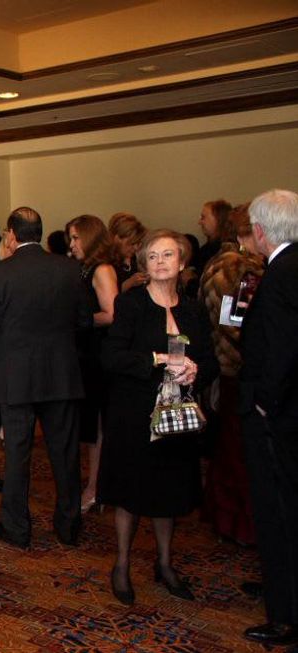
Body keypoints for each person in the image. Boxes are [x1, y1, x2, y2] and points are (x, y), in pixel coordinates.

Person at [98, 229, 218, 605]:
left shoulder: (193, 309)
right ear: (144, 265)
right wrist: (156, 359)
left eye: (168, 255)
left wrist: (195, 372)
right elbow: (111, 356)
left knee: (170, 490)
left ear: (182, 263)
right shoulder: (131, 304)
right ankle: (121, 565)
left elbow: (211, 360)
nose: (161, 262)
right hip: (134, 414)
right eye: (153, 256)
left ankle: (165, 564)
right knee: (130, 491)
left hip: (176, 416)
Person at [0, 206, 90, 549]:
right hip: (61, 375)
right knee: (65, 454)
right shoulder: (69, 269)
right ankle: (68, 527)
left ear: (11, 234)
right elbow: (84, 321)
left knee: (18, 456)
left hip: (16, 377)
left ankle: (17, 528)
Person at [237, 189, 298, 650]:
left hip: (279, 418)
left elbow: (282, 349)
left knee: (279, 511)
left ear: (259, 231)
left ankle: (286, 614)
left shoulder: (280, 275)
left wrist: (264, 403)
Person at [199, 204, 264, 546]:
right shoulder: (241, 269)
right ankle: (237, 522)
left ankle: (223, 515)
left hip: (223, 365)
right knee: (238, 450)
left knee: (228, 447)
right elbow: (235, 325)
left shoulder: (220, 262)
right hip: (236, 368)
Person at [66, 215, 120, 514]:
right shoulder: (83, 268)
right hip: (83, 354)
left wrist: (76, 320)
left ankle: (95, 488)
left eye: (76, 237)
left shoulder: (102, 269)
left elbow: (112, 313)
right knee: (88, 425)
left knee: (97, 425)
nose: (72, 244)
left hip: (97, 356)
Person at [108, 213, 148, 292]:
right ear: (117, 239)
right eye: (131, 244)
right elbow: (109, 295)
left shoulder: (134, 258)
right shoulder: (106, 264)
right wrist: (129, 283)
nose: (136, 248)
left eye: (138, 243)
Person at [197, 199, 232, 276]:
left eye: (203, 217)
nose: (199, 222)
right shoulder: (206, 248)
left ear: (218, 219)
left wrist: (189, 280)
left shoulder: (226, 252)